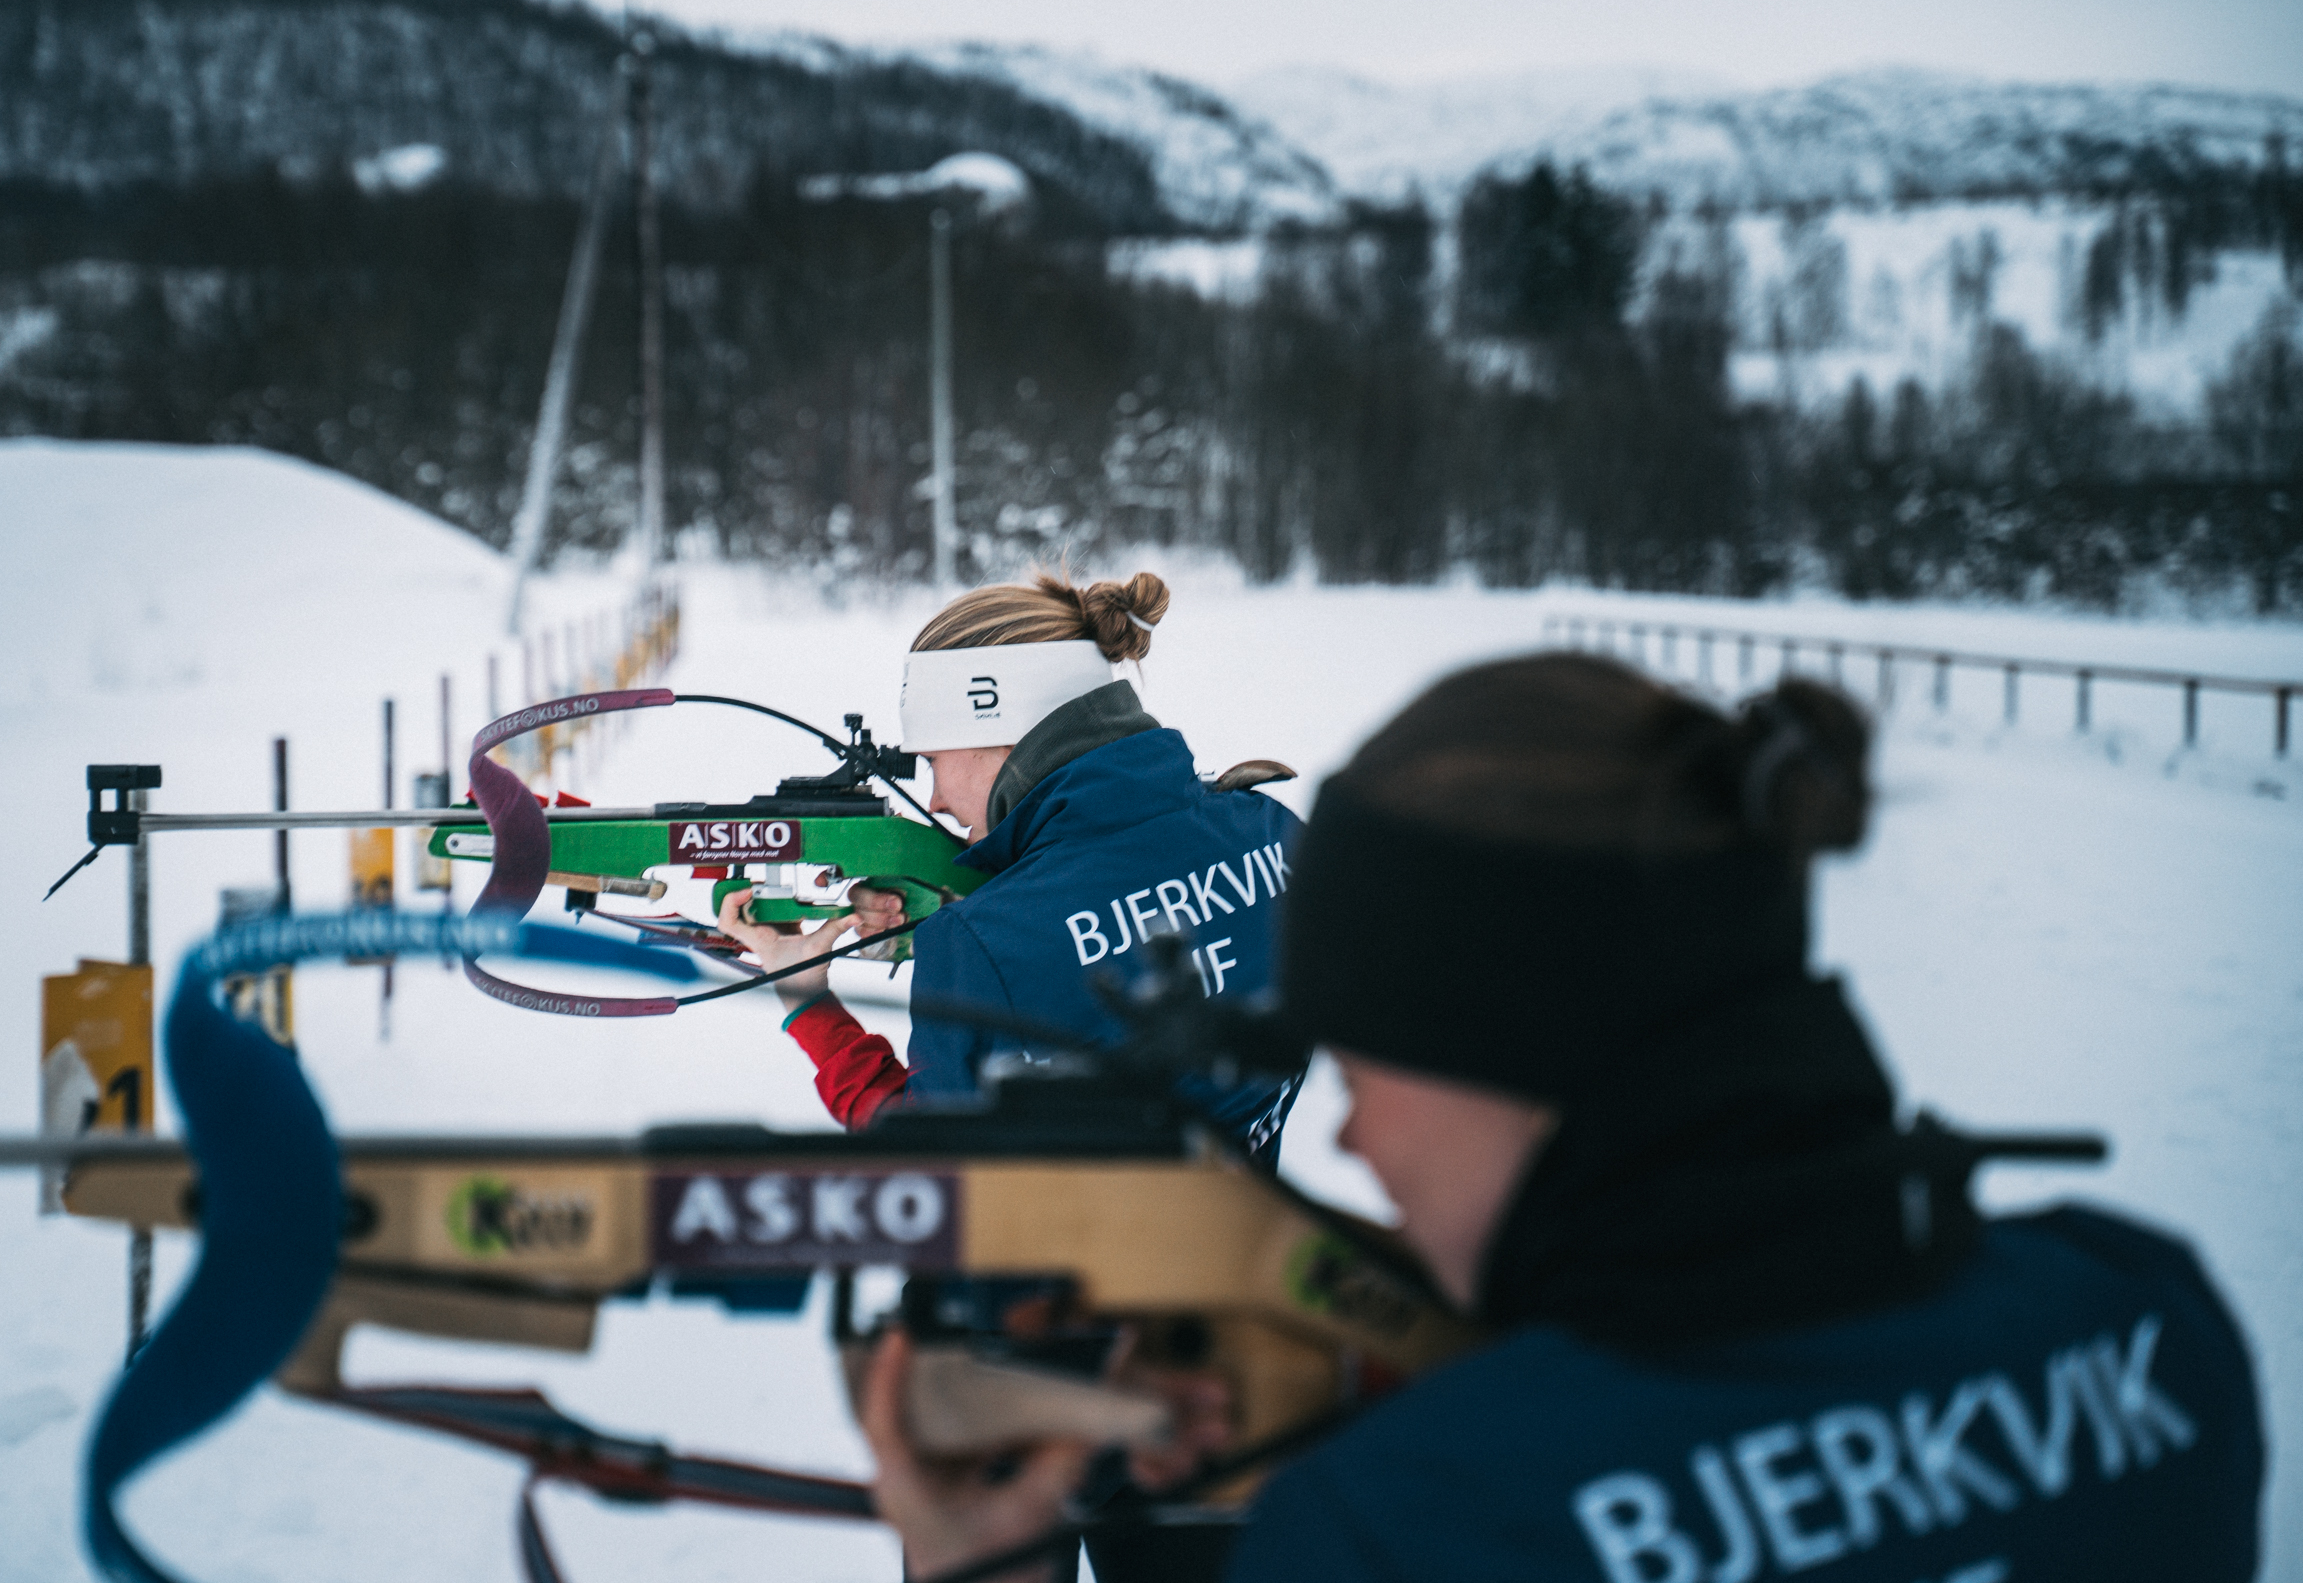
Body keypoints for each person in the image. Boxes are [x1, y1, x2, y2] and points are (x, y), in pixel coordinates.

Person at [858, 652, 2265, 1583]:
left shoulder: (1401, 1522)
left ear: (1505, 1048)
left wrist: (988, 1562)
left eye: (1365, 1067)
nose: (1350, 1139)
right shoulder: (2149, 1317)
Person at [717, 570, 1304, 1158]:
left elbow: (924, 1165)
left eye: (932, 760)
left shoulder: (978, 946)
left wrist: (808, 1001)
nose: (935, 800)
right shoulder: (1273, 830)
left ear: (996, 731)